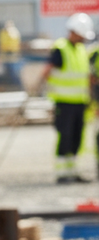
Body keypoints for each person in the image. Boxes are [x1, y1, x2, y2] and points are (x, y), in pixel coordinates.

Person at [42, 12, 94, 183]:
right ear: (74, 32)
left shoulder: (81, 50)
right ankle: (62, 174)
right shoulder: (61, 48)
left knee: (76, 138)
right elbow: (48, 70)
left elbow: (85, 76)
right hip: (64, 102)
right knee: (65, 136)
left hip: (79, 102)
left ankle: (72, 171)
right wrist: (40, 89)